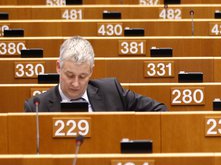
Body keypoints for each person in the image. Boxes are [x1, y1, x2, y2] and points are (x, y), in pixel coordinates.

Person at [24, 36, 167, 112]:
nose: (75, 83)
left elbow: (159, 110)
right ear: (58, 67)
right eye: (69, 75)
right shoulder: (36, 107)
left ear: (91, 71)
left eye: (82, 76)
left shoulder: (112, 91)